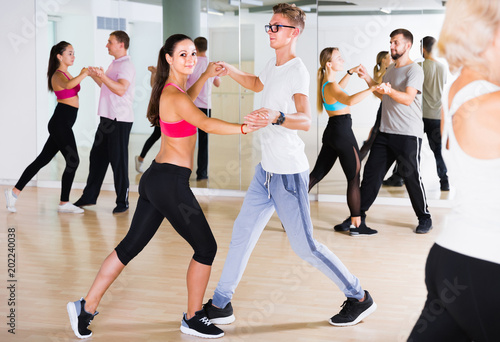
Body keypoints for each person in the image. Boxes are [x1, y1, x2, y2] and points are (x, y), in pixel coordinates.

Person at [66, 34, 260, 340]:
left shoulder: (174, 92)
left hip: (159, 180)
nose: (190, 59)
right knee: (206, 247)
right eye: (182, 54)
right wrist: (244, 127)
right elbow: (206, 123)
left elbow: (188, 101)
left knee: (129, 247)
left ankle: (85, 307)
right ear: (168, 58)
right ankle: (193, 317)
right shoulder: (175, 95)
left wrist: (206, 76)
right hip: (169, 182)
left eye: (193, 54)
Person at [203, 3, 376, 329]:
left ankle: (358, 296)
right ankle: (220, 303)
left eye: (276, 27)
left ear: (294, 32)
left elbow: (305, 119)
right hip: (265, 172)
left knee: (306, 247)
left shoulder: (298, 70)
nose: (270, 31)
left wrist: (276, 116)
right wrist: (231, 70)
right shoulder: (272, 65)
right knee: (241, 234)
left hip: (287, 174)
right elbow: (257, 83)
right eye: (269, 26)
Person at [408, 0, 500, 340]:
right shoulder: (488, 104)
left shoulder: (460, 86)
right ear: (488, 36)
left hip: (454, 258)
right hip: (486, 266)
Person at [335, 28, 432, 235]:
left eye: (396, 43)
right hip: (385, 133)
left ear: (407, 46)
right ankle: (357, 218)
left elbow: (406, 99)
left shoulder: (414, 70)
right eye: (390, 43)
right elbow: (385, 97)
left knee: (411, 176)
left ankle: (425, 217)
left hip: (408, 134)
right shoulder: (391, 69)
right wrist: (368, 80)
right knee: (371, 176)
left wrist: (388, 90)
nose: (392, 46)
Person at [4, 41, 88, 214]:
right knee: (73, 160)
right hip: (60, 123)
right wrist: (84, 74)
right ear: (59, 56)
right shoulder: (57, 75)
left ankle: (13, 193)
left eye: (74, 53)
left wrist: (88, 74)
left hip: (63, 123)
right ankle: (64, 203)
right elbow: (69, 85)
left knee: (42, 159)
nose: (73, 56)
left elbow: (72, 83)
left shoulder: (66, 73)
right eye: (70, 53)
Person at [309, 47, 377, 235]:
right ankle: (357, 225)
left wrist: (349, 73)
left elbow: (339, 90)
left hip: (332, 132)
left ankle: (288, 213)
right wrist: (371, 88)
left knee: (315, 175)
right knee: (354, 178)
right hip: (342, 133)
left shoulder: (327, 83)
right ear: (329, 64)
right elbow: (348, 100)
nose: (343, 60)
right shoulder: (331, 86)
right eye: (339, 58)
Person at [73, 30, 136, 213]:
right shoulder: (115, 64)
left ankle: (122, 202)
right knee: (97, 158)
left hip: (120, 120)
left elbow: (121, 89)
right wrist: (95, 75)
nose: (107, 45)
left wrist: (102, 76)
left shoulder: (126, 65)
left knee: (118, 162)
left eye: (110, 42)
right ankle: (89, 196)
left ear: (121, 44)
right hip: (107, 118)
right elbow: (108, 87)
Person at [186, 36, 221, 181]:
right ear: (206, 47)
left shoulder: (191, 62)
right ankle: (202, 174)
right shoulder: (211, 64)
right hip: (206, 107)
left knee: (187, 140)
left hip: (190, 105)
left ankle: (185, 171)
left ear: (195, 47)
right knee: (203, 142)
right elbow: (218, 83)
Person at [420, 36, 449, 191]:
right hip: (437, 116)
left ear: (423, 49)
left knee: (411, 150)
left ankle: (402, 178)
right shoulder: (443, 67)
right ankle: (444, 181)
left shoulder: (420, 66)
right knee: (437, 151)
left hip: (421, 115)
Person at [359, 51, 392, 161]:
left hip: (388, 108)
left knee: (374, 134)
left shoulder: (389, 71)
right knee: (373, 135)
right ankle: (358, 159)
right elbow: (380, 94)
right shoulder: (383, 74)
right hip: (385, 108)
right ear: (384, 60)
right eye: (389, 57)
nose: (392, 58)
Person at [135, 66, 159, 173]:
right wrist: (153, 73)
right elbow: (154, 87)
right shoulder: (164, 70)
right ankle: (141, 159)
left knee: (157, 136)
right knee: (157, 135)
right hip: (161, 109)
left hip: (169, 109)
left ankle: (141, 158)